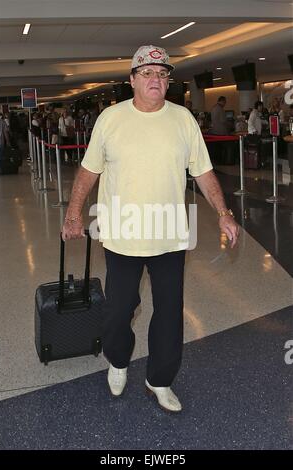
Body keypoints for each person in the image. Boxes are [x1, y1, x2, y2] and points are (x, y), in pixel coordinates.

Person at [62, 45, 239, 412]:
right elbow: (88, 171)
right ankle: (118, 360)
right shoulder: (111, 119)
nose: (155, 79)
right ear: (132, 80)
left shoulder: (183, 119)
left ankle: (159, 380)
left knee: (170, 313)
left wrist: (223, 211)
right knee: (118, 311)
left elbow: (203, 172)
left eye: (162, 74)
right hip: (122, 233)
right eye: (147, 73)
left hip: (170, 235)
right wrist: (74, 213)